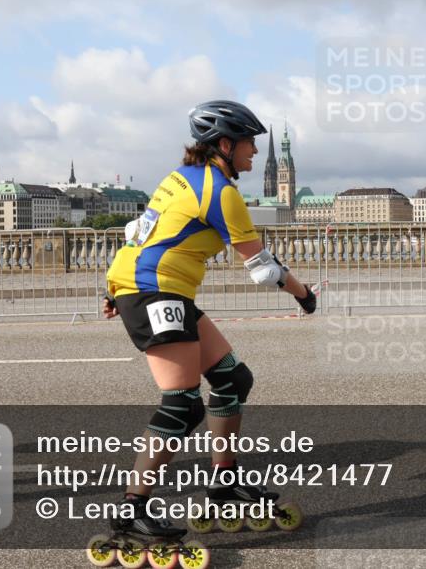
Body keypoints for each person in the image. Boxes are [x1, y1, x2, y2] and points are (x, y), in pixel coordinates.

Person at [102, 100, 315, 539]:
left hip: (152, 287)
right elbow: (263, 268)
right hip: (154, 292)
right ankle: (131, 509)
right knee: (182, 404)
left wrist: (114, 289)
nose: (255, 152)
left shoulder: (178, 179)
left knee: (233, 381)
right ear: (224, 144)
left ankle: (224, 481)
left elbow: (138, 233)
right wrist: (304, 294)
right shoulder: (222, 192)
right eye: (249, 143)